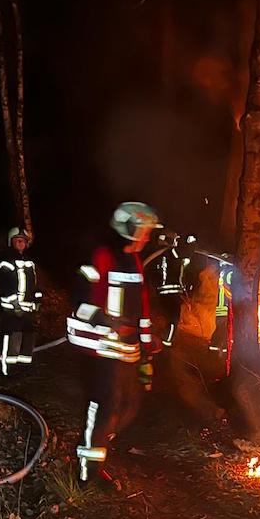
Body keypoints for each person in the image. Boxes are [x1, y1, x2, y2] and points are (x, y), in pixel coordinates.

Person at [66, 202, 161, 488]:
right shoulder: (101, 256)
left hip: (124, 347)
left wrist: (148, 341)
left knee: (129, 406)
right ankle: (88, 471)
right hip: (98, 344)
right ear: (128, 229)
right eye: (143, 231)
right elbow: (79, 300)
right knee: (105, 405)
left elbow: (141, 309)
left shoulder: (134, 263)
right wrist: (108, 321)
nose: (147, 237)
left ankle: (97, 442)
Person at [0, 226, 42, 375]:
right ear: (12, 242)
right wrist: (15, 304)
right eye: (18, 240)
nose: (21, 243)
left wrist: (38, 301)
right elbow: (4, 285)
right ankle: (7, 372)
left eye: (23, 241)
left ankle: (23, 371)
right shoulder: (6, 261)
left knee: (28, 340)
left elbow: (34, 284)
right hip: (12, 310)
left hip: (28, 311)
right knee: (13, 340)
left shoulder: (29, 261)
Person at [144, 230, 196, 349]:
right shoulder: (172, 253)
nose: (176, 243)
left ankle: (155, 338)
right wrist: (192, 240)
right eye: (175, 240)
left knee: (159, 316)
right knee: (173, 319)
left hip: (159, 292)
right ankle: (167, 342)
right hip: (172, 293)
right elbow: (187, 252)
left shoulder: (155, 255)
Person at [210, 253, 235, 356]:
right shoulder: (230, 273)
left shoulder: (217, 273)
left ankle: (213, 354)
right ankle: (223, 355)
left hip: (216, 310)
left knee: (217, 333)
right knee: (225, 334)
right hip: (225, 310)